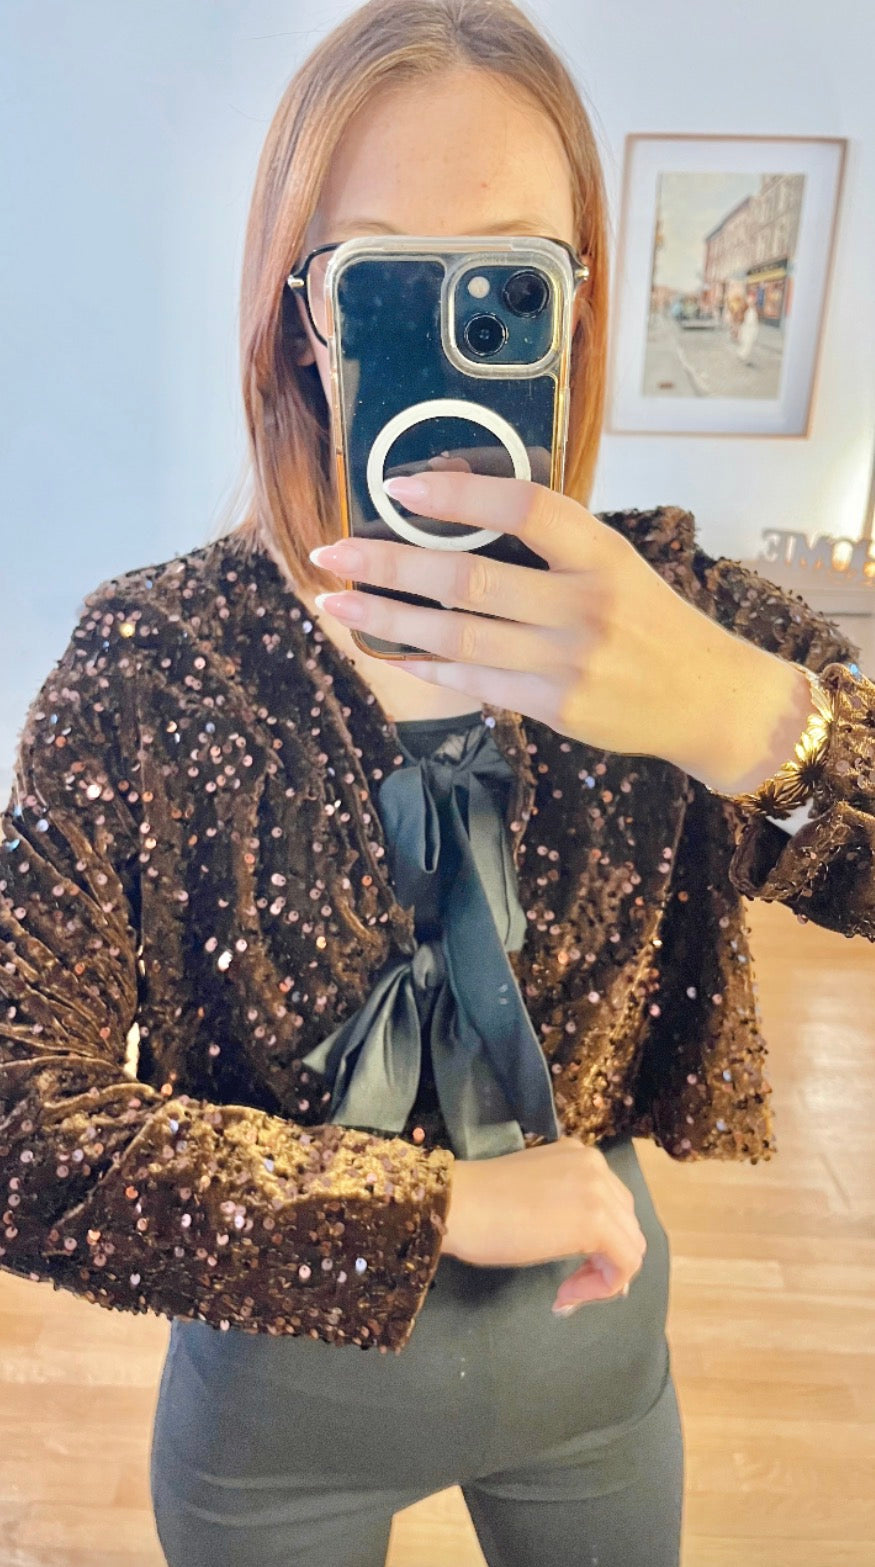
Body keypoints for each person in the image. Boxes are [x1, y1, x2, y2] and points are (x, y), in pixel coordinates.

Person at [2, 4, 873, 1567]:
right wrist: (443, 1208)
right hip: (273, 1437)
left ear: (579, 308)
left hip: (599, 1388)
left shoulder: (682, 617)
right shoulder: (151, 667)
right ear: (306, 316)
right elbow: (19, 1120)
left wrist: (743, 713)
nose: (456, 332)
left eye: (510, 279)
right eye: (387, 275)